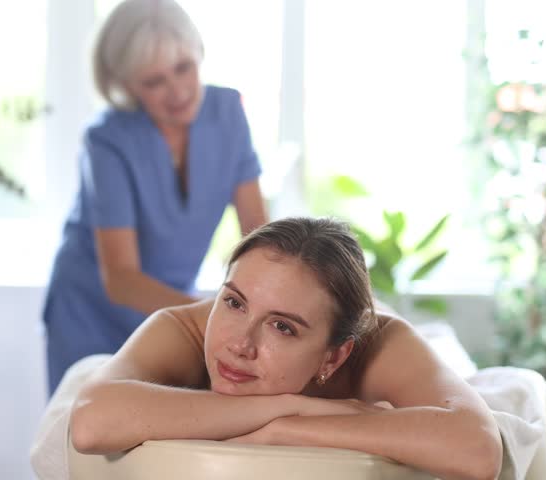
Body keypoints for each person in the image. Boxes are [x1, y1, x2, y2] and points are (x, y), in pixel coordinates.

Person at [68, 217, 503, 480]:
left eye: (282, 327)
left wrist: (287, 429)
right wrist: (300, 407)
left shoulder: (382, 344)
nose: (239, 344)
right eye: (234, 302)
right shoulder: (184, 327)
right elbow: (89, 425)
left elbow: (478, 451)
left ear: (334, 357)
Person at [43, 0, 267, 393]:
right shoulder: (107, 139)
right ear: (126, 84)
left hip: (175, 307)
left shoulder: (227, 112)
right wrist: (216, 314)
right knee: (88, 431)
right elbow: (122, 280)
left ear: (198, 53)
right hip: (89, 311)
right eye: (153, 81)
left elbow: (260, 236)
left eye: (183, 68)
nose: (177, 91)